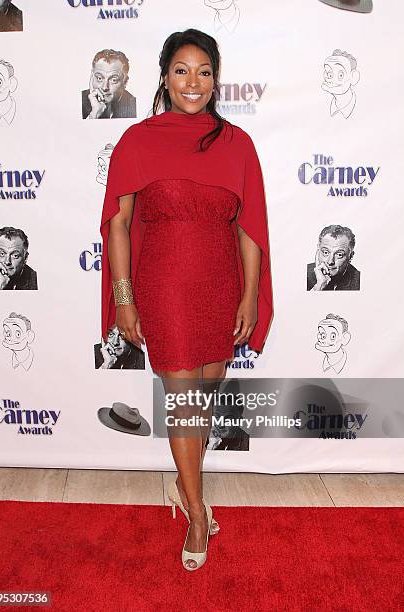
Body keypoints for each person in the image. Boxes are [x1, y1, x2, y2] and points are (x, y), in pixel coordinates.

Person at [100, 29, 273, 571]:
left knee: (206, 392)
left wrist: (249, 295)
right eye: (181, 70)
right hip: (165, 284)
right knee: (183, 398)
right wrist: (124, 298)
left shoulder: (237, 143)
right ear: (164, 77)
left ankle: (183, 483)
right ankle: (198, 513)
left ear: (215, 78)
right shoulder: (137, 140)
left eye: (203, 71)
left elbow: (249, 229)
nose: (192, 82)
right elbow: (120, 224)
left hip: (221, 283)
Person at [82, 49, 136, 119]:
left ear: (125, 82)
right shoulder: (80, 101)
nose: (104, 87)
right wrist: (94, 115)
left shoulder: (134, 105)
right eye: (99, 78)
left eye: (113, 80)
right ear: (92, 77)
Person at [307, 224, 360, 291]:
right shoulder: (304, 274)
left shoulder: (359, 282)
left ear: (351, 256)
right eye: (325, 252)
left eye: (339, 255)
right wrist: (319, 286)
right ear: (318, 250)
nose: (330, 262)